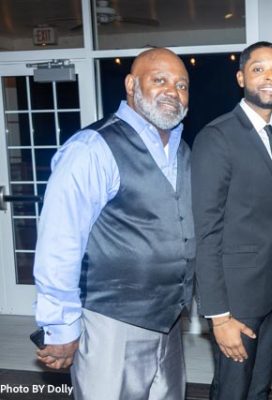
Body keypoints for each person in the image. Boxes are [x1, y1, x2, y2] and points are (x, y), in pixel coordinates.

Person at [33, 48, 194, 399]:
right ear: (131, 85)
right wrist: (60, 325)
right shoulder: (92, 147)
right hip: (111, 323)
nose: (172, 91)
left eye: (181, 85)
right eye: (160, 80)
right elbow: (59, 241)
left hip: (168, 321)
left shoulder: (182, 150)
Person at [191, 41, 272, 400]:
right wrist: (219, 316)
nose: (270, 77)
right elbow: (206, 231)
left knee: (258, 389)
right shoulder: (217, 137)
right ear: (240, 78)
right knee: (232, 391)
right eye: (258, 69)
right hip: (236, 302)